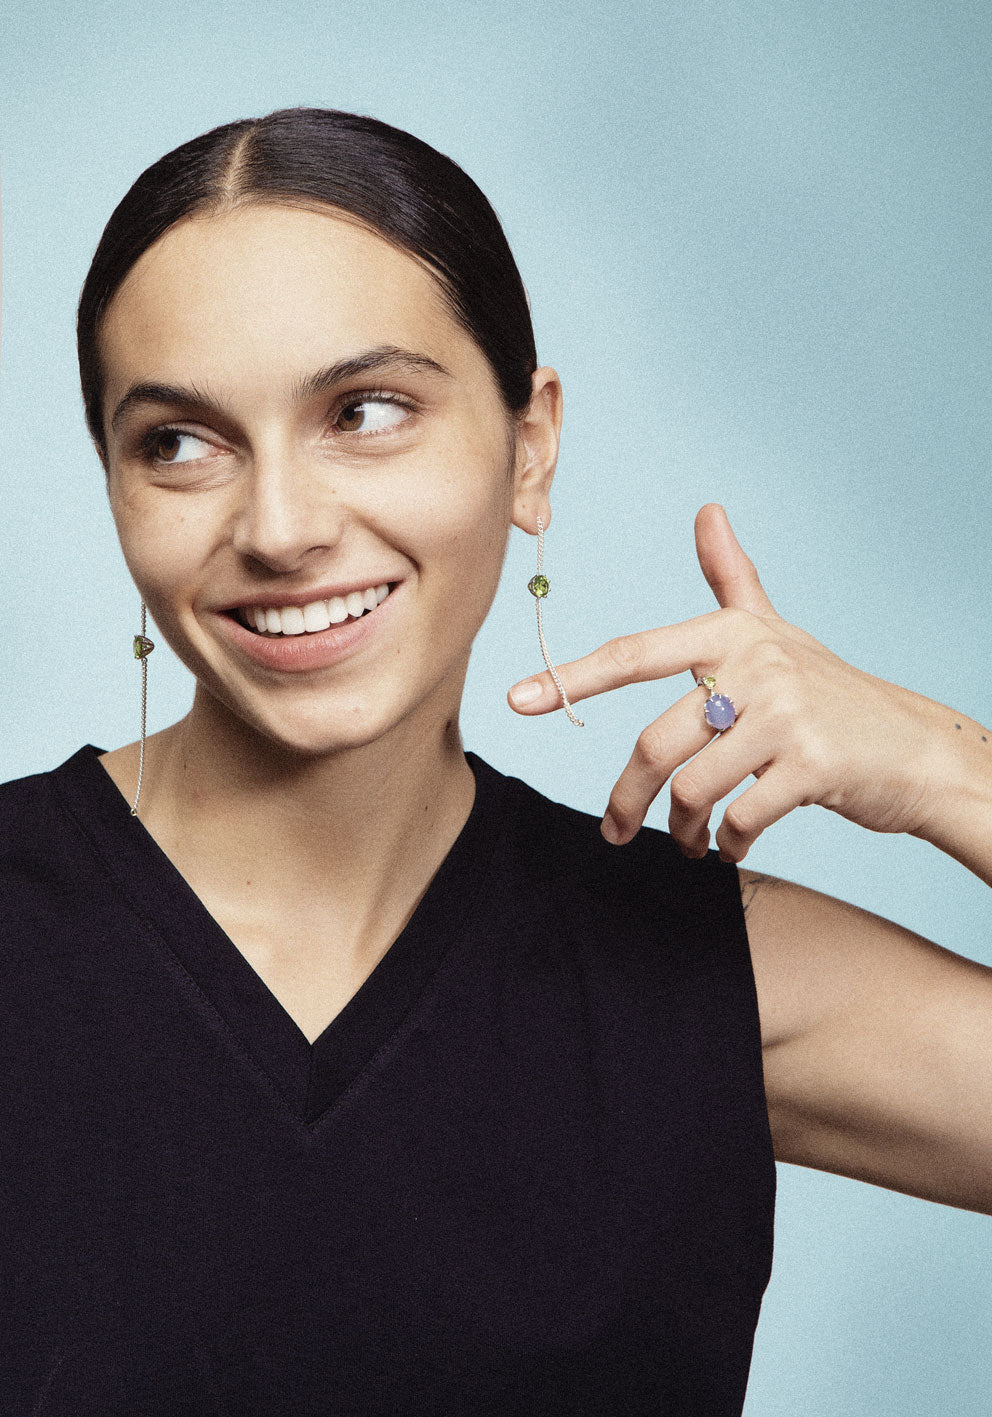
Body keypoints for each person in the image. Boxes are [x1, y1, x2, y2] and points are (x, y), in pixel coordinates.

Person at [1, 106, 988, 1416]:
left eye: (365, 410)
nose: (282, 528)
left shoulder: (703, 970)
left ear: (531, 446)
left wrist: (943, 764)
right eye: (178, 442)